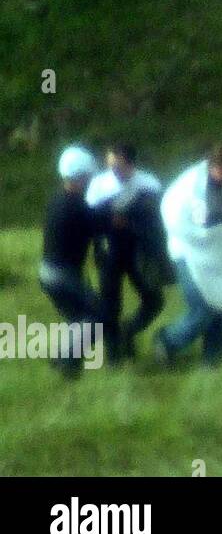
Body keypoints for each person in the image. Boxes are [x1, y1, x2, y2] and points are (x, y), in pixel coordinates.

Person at [155, 143, 222, 367]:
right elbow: (173, 216)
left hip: (219, 253)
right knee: (203, 307)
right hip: (188, 251)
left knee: (221, 302)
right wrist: (205, 233)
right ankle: (168, 340)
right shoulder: (189, 185)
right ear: (213, 165)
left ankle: (214, 356)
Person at [86, 143, 167, 361]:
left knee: (154, 299)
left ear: (130, 163)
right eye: (110, 165)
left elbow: (157, 218)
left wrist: (131, 220)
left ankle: (128, 330)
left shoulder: (148, 183)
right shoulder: (99, 185)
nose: (113, 170)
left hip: (138, 250)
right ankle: (114, 357)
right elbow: (90, 220)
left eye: (118, 166)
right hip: (109, 250)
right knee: (110, 304)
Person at [40, 146, 110, 378]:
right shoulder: (76, 206)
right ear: (80, 177)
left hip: (47, 272)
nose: (91, 181)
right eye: (88, 177)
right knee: (97, 316)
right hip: (62, 275)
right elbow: (99, 225)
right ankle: (66, 362)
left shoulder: (57, 200)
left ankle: (63, 360)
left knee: (78, 318)